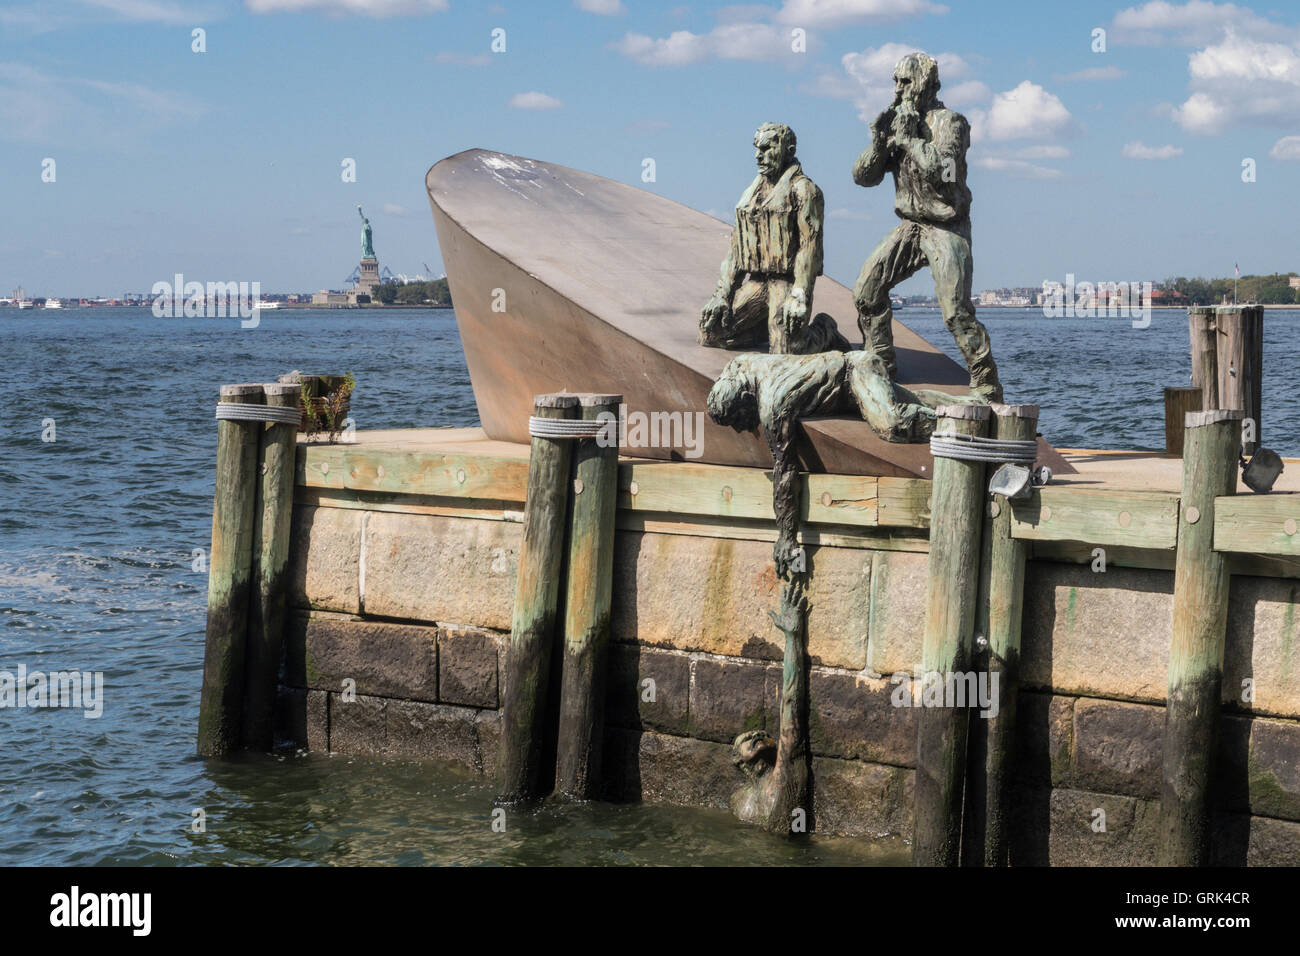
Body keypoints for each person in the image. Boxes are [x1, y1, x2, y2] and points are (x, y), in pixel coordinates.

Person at [851, 52, 1003, 402]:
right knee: (866, 292)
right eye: (896, 82)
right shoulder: (897, 123)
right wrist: (878, 141)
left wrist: (907, 140)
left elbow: (944, 170)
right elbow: (863, 178)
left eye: (906, 81)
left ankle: (987, 385)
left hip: (947, 227)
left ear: (927, 85)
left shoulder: (951, 123)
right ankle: (883, 364)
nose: (899, 89)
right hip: (910, 226)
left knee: (955, 313)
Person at [700, 123, 850, 354]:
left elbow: (808, 248)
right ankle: (764, 328)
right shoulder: (749, 195)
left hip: (786, 282)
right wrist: (722, 295)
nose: (758, 155)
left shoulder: (804, 191)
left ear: (788, 151)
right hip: (757, 282)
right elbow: (735, 251)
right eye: (756, 148)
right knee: (711, 331)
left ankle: (825, 330)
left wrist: (799, 295)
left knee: (785, 350)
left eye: (767, 148)